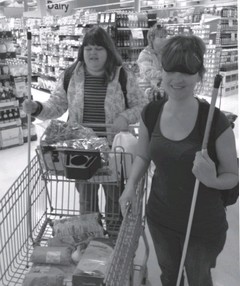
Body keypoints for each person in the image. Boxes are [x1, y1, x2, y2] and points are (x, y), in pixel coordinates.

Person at [119, 34, 238, 286]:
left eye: (186, 71)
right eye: (171, 70)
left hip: (202, 224)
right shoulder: (151, 113)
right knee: (169, 276)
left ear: (199, 75)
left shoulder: (215, 122)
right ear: (161, 71)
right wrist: (130, 187)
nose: (177, 78)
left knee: (198, 279)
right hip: (161, 218)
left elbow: (233, 176)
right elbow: (143, 154)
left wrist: (213, 180)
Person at [23, 25, 146, 236]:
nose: (92, 53)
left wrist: (125, 116)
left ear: (108, 51)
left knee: (115, 201)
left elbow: (141, 105)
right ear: (82, 51)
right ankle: (91, 244)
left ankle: (113, 244)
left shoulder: (123, 76)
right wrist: (37, 108)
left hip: (113, 151)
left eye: (98, 48)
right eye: (88, 48)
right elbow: (57, 105)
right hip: (81, 152)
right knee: (86, 202)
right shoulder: (71, 74)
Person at [137, 23, 168, 101]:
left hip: (163, 91)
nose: (164, 39)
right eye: (160, 37)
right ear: (151, 38)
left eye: (165, 37)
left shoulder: (166, 54)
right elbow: (148, 72)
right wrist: (166, 75)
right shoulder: (145, 54)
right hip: (148, 93)